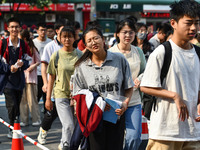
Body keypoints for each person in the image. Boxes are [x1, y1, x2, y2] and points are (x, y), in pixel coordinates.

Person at [140, 0, 200, 149]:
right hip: (165, 132)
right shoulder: (162, 52)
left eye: (197, 23)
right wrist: (175, 96)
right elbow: (145, 86)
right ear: (173, 23)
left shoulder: (198, 53)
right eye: (188, 23)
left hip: (193, 132)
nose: (194, 28)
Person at [73, 26, 134, 150]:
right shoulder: (81, 66)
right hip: (94, 118)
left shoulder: (119, 60)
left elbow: (128, 87)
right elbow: (78, 95)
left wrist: (125, 104)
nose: (93, 42)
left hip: (116, 116)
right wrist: (96, 105)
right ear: (85, 45)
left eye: (96, 38)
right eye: (89, 40)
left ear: (103, 39)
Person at [109, 19, 146, 150]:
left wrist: (140, 79)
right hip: (114, 101)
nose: (128, 36)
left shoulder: (138, 52)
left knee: (134, 137)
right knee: (113, 138)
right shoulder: (111, 53)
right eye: (124, 32)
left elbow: (145, 71)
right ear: (117, 34)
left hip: (134, 101)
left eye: (131, 32)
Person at [45, 26, 82, 150]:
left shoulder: (80, 55)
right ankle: (66, 146)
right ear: (59, 38)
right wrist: (48, 98)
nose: (67, 39)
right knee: (68, 124)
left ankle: (64, 142)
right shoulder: (56, 55)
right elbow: (51, 78)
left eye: (70, 36)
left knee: (75, 125)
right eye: (64, 36)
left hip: (77, 96)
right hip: (60, 94)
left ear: (74, 38)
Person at [0, 17, 31, 138]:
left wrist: (22, 64)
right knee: (11, 105)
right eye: (12, 27)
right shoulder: (2, 43)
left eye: (16, 27)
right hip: (7, 80)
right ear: (7, 28)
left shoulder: (23, 44)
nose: (14, 29)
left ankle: (15, 125)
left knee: (17, 105)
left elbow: (28, 59)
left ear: (20, 28)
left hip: (19, 80)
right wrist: (9, 68)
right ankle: (12, 127)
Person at [37, 19, 66, 145]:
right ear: (57, 31)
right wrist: (45, 82)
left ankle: (65, 141)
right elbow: (44, 66)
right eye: (63, 31)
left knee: (68, 116)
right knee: (51, 113)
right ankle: (43, 130)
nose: (66, 35)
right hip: (53, 85)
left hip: (68, 86)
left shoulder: (71, 45)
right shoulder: (50, 46)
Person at [19, 29, 41, 127]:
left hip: (31, 78)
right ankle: (24, 120)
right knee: (23, 100)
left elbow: (39, 61)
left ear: (24, 38)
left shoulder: (32, 47)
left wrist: (33, 66)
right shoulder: (18, 47)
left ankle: (36, 119)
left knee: (32, 100)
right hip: (21, 77)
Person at [33, 23, 51, 115]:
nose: (43, 32)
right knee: (37, 95)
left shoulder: (50, 42)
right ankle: (35, 114)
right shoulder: (33, 42)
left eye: (44, 30)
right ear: (37, 31)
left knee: (47, 94)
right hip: (37, 73)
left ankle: (47, 112)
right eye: (41, 30)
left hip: (48, 73)